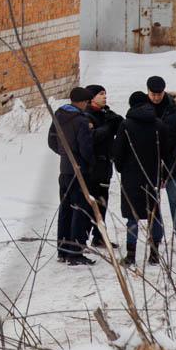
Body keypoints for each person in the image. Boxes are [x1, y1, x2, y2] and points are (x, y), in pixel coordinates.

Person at [115, 91, 167, 265]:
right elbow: (165, 151)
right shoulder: (158, 124)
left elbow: (119, 152)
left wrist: (122, 168)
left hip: (131, 177)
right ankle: (154, 253)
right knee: (154, 215)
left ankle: (131, 255)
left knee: (132, 216)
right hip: (152, 176)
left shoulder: (126, 125)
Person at [146, 76, 176, 251]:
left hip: (172, 163)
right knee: (152, 203)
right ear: (148, 91)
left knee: (175, 200)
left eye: (159, 94)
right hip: (150, 164)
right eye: (153, 94)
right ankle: (154, 236)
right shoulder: (142, 108)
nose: (156, 97)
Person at [47, 87, 96, 265]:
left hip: (64, 170)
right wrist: (90, 163)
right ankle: (75, 252)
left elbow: (52, 140)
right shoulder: (81, 121)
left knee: (65, 209)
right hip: (79, 171)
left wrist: (64, 154)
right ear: (83, 102)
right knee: (79, 210)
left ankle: (63, 249)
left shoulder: (59, 115)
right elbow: (86, 148)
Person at [82, 85, 123, 251]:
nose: (105, 97)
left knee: (102, 203)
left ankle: (99, 237)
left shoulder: (104, 113)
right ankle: (81, 238)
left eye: (105, 93)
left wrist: (109, 116)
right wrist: (107, 127)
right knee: (89, 204)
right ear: (92, 97)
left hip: (105, 165)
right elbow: (92, 138)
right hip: (93, 167)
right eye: (101, 94)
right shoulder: (86, 115)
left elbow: (120, 123)